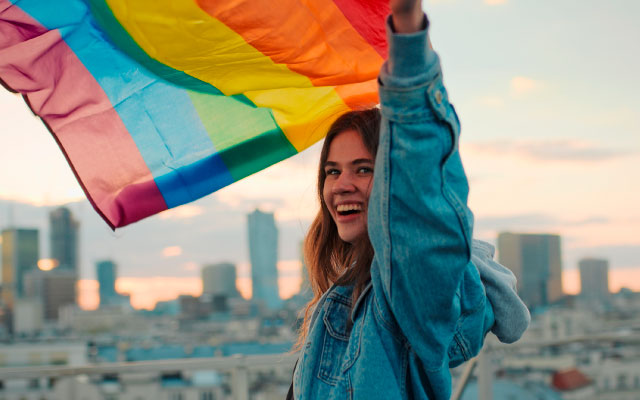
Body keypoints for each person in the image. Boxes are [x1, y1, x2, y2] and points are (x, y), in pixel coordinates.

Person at [290, 1, 530, 399]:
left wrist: (406, 32)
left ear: (392, 185)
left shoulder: (402, 291)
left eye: (363, 169)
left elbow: (421, 202)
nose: (341, 185)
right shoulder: (345, 294)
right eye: (333, 171)